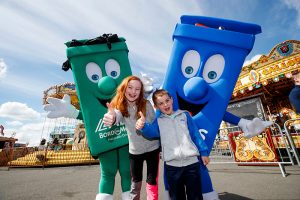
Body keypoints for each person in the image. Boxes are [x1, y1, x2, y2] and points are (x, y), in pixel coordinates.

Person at [135, 89, 210, 200]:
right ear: (156, 107)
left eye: (167, 100)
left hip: (192, 164)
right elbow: (151, 133)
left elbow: (195, 134)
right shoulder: (158, 121)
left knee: (195, 196)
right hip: (172, 167)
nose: (165, 105)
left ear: (172, 100)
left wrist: (203, 152)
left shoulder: (184, 115)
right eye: (161, 103)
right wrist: (143, 125)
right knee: (176, 196)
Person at [103, 76, 160, 200]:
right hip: (135, 151)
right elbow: (116, 115)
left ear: (141, 92)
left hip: (153, 148)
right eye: (130, 87)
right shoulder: (120, 106)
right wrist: (111, 118)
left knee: (152, 182)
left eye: (137, 89)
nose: (133, 92)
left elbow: (155, 126)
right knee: (136, 183)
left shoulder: (146, 104)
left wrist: (144, 124)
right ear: (124, 88)